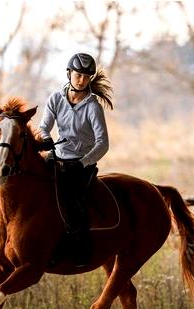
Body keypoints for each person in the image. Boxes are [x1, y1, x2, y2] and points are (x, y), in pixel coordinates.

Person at [37, 52, 113, 267]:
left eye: (86, 77)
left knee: (71, 202)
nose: (81, 80)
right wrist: (46, 139)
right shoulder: (55, 98)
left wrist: (83, 163)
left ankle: (80, 249)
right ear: (69, 73)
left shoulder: (93, 107)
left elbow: (103, 144)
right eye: (78, 75)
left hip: (81, 164)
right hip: (57, 156)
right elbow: (44, 127)